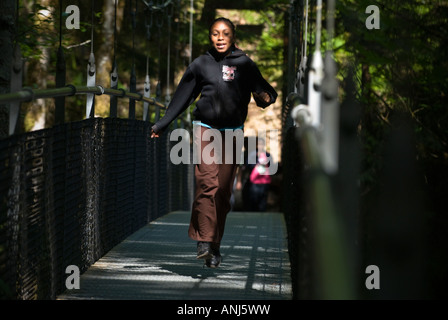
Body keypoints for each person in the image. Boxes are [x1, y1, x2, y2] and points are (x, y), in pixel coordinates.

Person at [150, 17, 277, 268]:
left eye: (225, 33)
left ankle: (214, 243)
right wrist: (163, 123)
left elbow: (266, 92)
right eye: (215, 33)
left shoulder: (244, 64)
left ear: (233, 36)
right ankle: (204, 242)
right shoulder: (201, 64)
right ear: (210, 36)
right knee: (207, 183)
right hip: (205, 128)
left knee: (223, 191)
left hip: (232, 132)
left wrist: (264, 97)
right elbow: (182, 97)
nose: (220, 38)